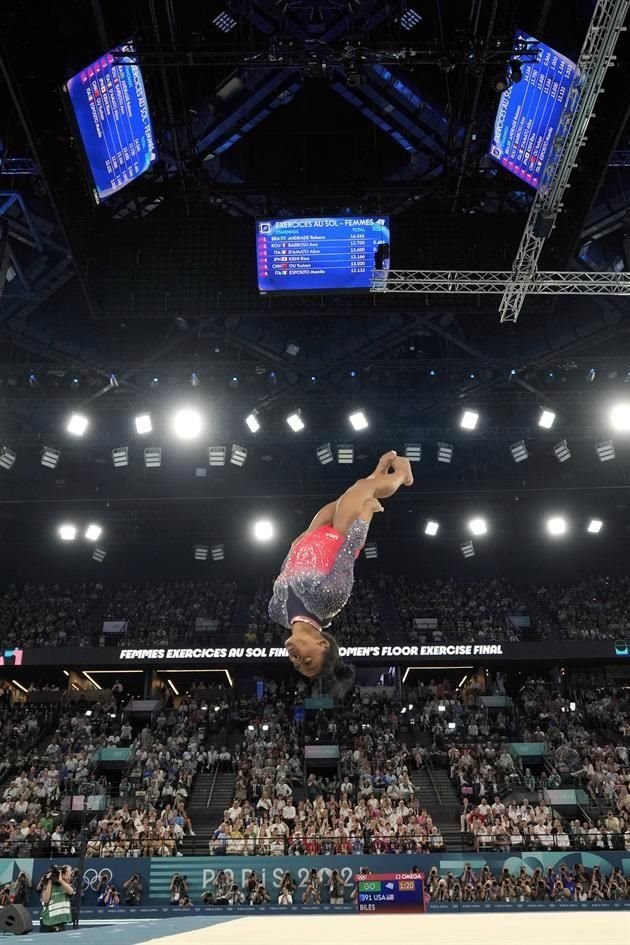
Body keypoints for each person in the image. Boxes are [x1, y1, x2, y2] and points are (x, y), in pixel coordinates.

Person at [268, 451, 413, 695]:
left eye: (298, 666)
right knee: (364, 489)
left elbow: (286, 575)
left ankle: (378, 471)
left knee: (354, 490)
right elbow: (347, 557)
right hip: (340, 534)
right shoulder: (327, 604)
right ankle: (402, 475)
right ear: (322, 643)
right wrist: (366, 515)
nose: (296, 660)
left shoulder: (276, 612)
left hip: (310, 538)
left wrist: (296, 546)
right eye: (308, 662)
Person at [39, 865, 74, 933]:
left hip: (60, 923)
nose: (70, 874)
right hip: (47, 923)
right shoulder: (49, 884)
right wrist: (50, 880)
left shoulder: (66, 885)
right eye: (69, 872)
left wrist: (61, 881)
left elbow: (71, 891)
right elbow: (45, 900)